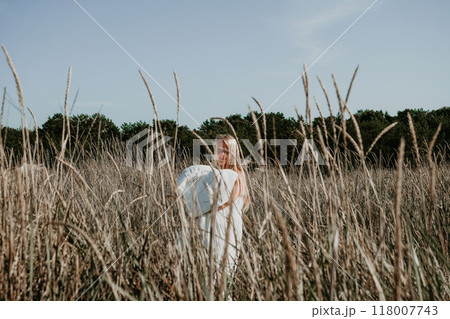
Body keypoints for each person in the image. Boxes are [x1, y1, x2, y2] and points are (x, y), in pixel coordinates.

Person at [177, 134, 250, 276]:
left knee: (221, 269)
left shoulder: (237, 173)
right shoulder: (212, 174)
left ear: (233, 153)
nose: (221, 155)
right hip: (209, 226)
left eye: (226, 151)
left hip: (226, 227)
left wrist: (198, 212)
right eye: (218, 150)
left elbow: (225, 201)